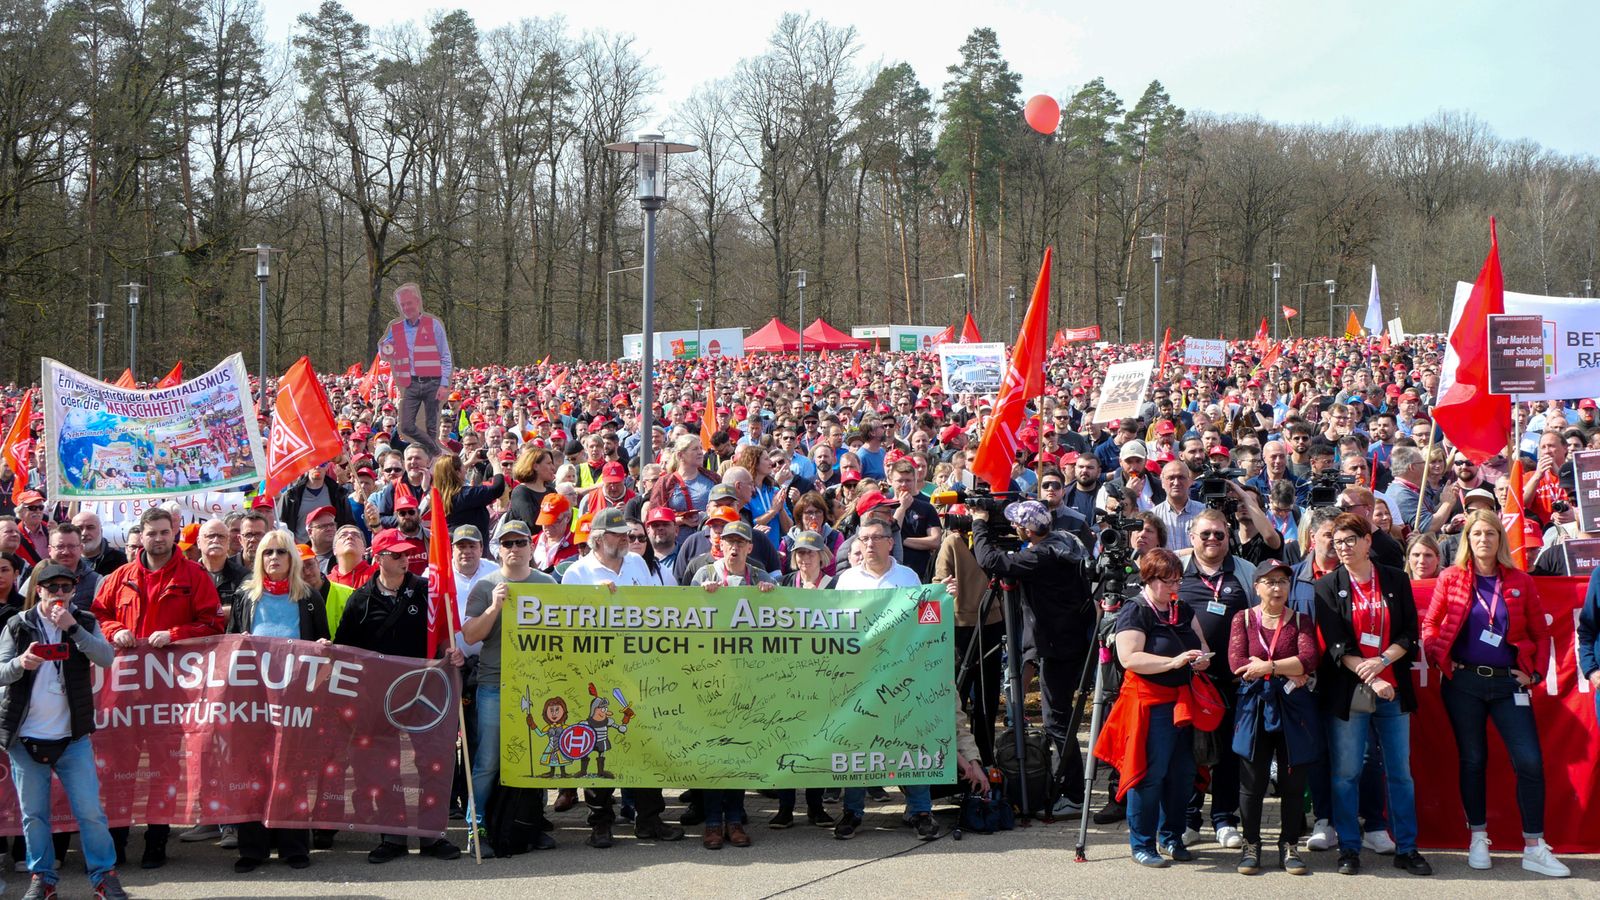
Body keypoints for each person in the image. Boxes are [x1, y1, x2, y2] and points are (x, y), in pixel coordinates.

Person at [1420, 510, 1569, 877]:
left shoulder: (1520, 581)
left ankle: (1534, 846)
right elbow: (1431, 624)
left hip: (1508, 684)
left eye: (1490, 533)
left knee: (1529, 761)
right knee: (1473, 760)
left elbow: (1541, 634)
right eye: (1476, 534)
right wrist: (1439, 659)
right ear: (1467, 539)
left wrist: (1532, 673)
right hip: (1464, 683)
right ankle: (1478, 836)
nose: (1483, 539)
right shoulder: (1451, 578)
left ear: (1500, 539)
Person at [90, 506, 225, 869]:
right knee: (119, 768)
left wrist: (176, 635)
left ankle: (156, 840)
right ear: (142, 535)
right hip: (124, 694)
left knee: (164, 768)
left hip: (171, 694)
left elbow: (212, 623)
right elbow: (100, 614)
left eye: (165, 532)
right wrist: (114, 631)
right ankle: (117, 842)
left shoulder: (194, 576)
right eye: (152, 533)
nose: (159, 538)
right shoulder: (119, 576)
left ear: (174, 534)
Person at [0, 562, 129, 900]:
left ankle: (104, 875)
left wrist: (74, 629)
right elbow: (0, 672)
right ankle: (42, 878)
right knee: (34, 816)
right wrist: (20, 663)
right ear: (38, 589)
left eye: (66, 588)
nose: (59, 594)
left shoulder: (83, 620)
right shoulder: (18, 625)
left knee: (91, 812)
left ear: (73, 590)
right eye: (52, 587)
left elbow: (105, 657)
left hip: (72, 738)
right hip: (25, 738)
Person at [333, 528, 463, 864]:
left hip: (426, 694)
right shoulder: (359, 600)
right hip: (379, 700)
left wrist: (452, 652)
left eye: (407, 553)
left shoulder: (426, 591)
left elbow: (445, 634)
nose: (406, 559)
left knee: (431, 763)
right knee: (384, 768)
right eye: (397, 555)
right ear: (378, 558)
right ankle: (392, 837)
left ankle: (432, 835)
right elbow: (346, 651)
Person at [559, 507, 685, 849]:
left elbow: (652, 610)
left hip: (637, 668)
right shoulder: (577, 573)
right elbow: (566, 625)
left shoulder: (637, 564)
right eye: (618, 535)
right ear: (598, 539)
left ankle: (649, 818)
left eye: (628, 534)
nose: (627, 540)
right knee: (599, 744)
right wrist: (592, 600)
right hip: (595, 671)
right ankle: (600, 821)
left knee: (644, 742)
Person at [1313, 514, 1431, 877]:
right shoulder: (1328, 586)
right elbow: (1335, 644)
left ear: (1367, 542)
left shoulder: (1395, 579)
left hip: (1392, 688)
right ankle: (1349, 847)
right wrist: (1367, 672)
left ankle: (1406, 848)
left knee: (1400, 773)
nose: (1343, 548)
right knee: (1347, 772)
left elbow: (1410, 633)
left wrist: (1381, 662)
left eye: (1350, 540)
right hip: (1350, 690)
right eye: (1337, 542)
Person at [971, 497, 1093, 816]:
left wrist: (979, 523)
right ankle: (1070, 787)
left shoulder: (1041, 556)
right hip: (1070, 639)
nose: (1012, 528)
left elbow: (991, 560)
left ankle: (1073, 794)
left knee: (1056, 719)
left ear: (1028, 530)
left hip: (1058, 645)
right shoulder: (1066, 541)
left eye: (1017, 525)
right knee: (1059, 717)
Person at [1097, 547, 1210, 868]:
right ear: (1149, 578)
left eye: (1178, 580)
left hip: (1182, 702)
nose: (1174, 587)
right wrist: (1174, 661)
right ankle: (1142, 843)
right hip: (1148, 704)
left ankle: (1171, 836)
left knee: (1182, 774)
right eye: (1167, 581)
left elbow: (1201, 645)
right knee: (1149, 774)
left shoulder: (1182, 609)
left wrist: (1200, 659)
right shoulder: (1136, 610)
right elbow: (1129, 658)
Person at [830, 517, 940, 840]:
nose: (868, 544)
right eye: (863, 538)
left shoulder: (908, 577)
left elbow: (925, 618)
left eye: (875, 538)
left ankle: (920, 810)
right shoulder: (847, 580)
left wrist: (942, 596)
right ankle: (852, 811)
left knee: (911, 738)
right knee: (856, 742)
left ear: (890, 542)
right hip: (859, 677)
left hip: (902, 676)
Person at [226, 531, 328, 873]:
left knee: (293, 770)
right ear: (259, 559)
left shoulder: (309, 597)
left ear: (292, 559)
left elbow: (321, 644)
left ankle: (294, 846)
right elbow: (228, 644)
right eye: (267, 552)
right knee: (252, 769)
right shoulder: (245, 596)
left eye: (280, 552)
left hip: (295, 698)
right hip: (252, 699)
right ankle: (252, 848)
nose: (273, 558)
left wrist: (324, 647)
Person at [460, 520, 558, 856]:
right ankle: (478, 828)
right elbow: (471, 635)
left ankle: (529, 824)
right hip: (494, 684)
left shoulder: (547, 583)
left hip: (538, 687)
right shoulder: (486, 586)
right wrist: (494, 608)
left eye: (519, 543)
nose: (514, 549)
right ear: (497, 549)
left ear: (531, 546)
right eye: (507, 544)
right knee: (487, 762)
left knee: (535, 759)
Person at [1228, 559, 1319, 876]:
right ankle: (1251, 844)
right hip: (1255, 708)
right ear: (1257, 586)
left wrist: (1268, 667)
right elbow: (1237, 662)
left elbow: (1308, 659)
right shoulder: (1243, 619)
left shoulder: (1301, 621)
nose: (1277, 587)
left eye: (1282, 581)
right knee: (1252, 781)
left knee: (1294, 781)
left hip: (1293, 709)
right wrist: (1287, 666)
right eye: (1269, 581)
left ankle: (1289, 844)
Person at [381, 282, 452, 457]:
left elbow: (445, 357)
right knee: (405, 426)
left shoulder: (433, 325)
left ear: (417, 302)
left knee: (431, 427)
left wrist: (444, 384)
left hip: (432, 382)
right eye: (402, 304)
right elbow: (384, 351)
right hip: (411, 383)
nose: (406, 308)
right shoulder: (396, 328)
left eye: (409, 303)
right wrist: (386, 347)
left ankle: (430, 461)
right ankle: (436, 452)